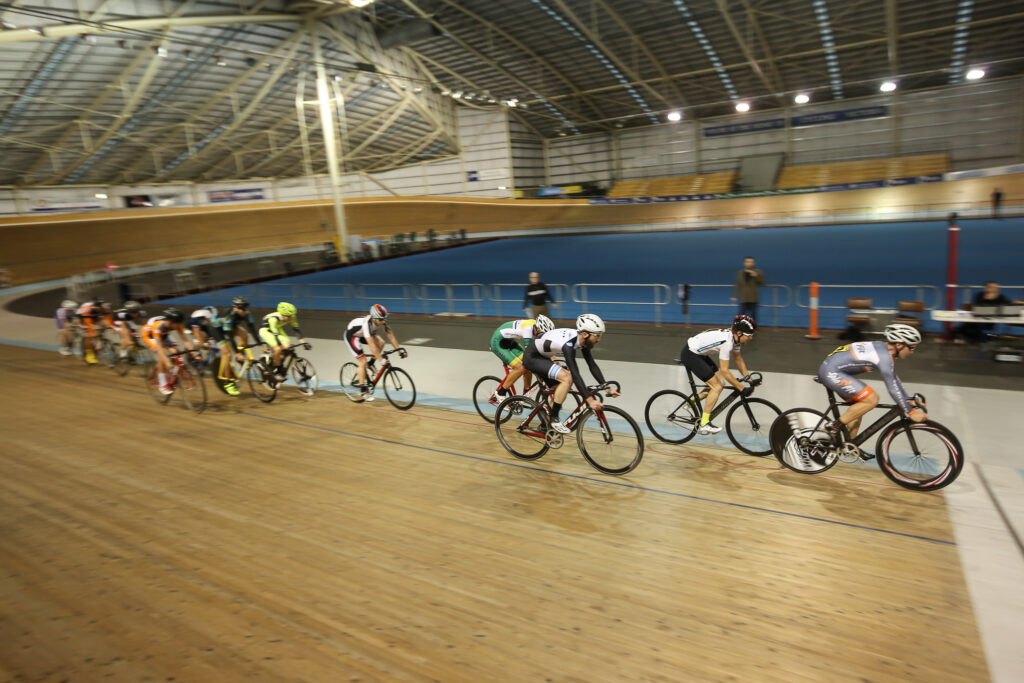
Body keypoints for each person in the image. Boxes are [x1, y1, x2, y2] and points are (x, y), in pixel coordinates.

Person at [817, 323, 928, 446]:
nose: (912, 352)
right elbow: (891, 386)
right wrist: (911, 413)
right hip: (831, 372)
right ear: (899, 345)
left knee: (859, 409)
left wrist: (907, 400)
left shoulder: (884, 349)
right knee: (872, 399)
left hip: (832, 368)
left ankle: (849, 445)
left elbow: (894, 379)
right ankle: (832, 427)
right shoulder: (884, 356)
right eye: (911, 348)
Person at [522, 313, 620, 434]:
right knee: (567, 378)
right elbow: (575, 373)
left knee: (560, 391)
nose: (599, 339)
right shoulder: (568, 344)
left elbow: (591, 364)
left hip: (543, 357)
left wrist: (607, 387)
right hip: (532, 357)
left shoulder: (582, 340)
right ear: (585, 334)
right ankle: (554, 418)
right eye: (597, 336)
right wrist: (590, 400)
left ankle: (545, 425)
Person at [679, 314, 756, 435]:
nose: (751, 338)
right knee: (717, 386)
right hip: (690, 354)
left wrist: (749, 379)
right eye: (750, 335)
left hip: (700, 354)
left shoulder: (735, 339)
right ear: (740, 333)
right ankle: (704, 424)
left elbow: (738, 359)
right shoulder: (728, 342)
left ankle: (690, 404)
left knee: (719, 383)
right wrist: (741, 388)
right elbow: (724, 371)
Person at [344, 304, 405, 401]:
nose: (383, 321)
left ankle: (371, 363)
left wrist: (399, 350)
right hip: (353, 336)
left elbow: (390, 336)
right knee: (362, 362)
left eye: (384, 318)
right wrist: (381, 360)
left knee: (381, 343)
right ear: (373, 318)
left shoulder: (380, 320)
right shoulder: (366, 324)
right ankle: (363, 390)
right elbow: (372, 345)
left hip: (364, 334)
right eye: (381, 319)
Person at [488, 315, 555, 404]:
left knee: (528, 367)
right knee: (521, 367)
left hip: (509, 341)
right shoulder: (528, 330)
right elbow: (530, 353)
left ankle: (525, 395)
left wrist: (553, 359)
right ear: (538, 330)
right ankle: (500, 393)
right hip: (498, 342)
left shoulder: (536, 325)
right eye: (542, 335)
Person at [140, 308, 198, 395]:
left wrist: (195, 354)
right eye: (178, 323)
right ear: (171, 322)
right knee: (163, 356)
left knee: (176, 350)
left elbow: (186, 341)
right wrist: (166, 361)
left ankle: (171, 372)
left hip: (163, 335)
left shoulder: (176, 325)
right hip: (149, 336)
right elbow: (159, 347)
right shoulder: (157, 325)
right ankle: (162, 384)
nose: (179, 325)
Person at [215, 296, 261, 396]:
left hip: (230, 326)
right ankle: (228, 383)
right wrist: (237, 353)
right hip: (217, 330)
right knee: (228, 355)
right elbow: (230, 337)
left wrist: (260, 345)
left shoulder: (246, 313)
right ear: (235, 308)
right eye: (243, 309)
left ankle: (240, 358)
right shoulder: (228, 316)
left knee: (244, 335)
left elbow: (252, 329)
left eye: (246, 308)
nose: (245, 311)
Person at [259, 302, 307, 385]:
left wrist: (304, 343)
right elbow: (275, 336)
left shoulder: (291, 316)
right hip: (266, 330)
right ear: (283, 315)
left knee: (288, 346)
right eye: (289, 317)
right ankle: (277, 371)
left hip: (277, 328)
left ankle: (277, 362)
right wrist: (279, 346)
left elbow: (296, 330)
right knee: (277, 349)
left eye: (292, 316)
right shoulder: (273, 319)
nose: (291, 318)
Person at [76, 298, 112, 364]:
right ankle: (89, 356)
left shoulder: (104, 307)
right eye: (98, 308)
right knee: (89, 336)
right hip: (83, 318)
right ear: (94, 306)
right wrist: (92, 332)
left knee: (104, 324)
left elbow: (108, 317)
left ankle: (99, 340)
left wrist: (111, 326)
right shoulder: (87, 308)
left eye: (100, 308)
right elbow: (88, 322)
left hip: (93, 316)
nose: (99, 309)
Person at [730, 256, 764, 323]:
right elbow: (738, 285)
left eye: (751, 262)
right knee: (741, 315)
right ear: (744, 263)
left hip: (754, 298)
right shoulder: (740, 273)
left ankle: (753, 329)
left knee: (753, 316)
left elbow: (762, 283)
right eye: (747, 262)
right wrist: (734, 295)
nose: (749, 263)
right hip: (743, 298)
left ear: (753, 263)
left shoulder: (758, 272)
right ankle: (741, 328)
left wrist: (756, 276)